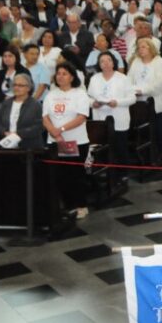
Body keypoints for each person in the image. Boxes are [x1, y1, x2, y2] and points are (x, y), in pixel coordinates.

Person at [42, 63, 91, 219]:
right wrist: (54, 133)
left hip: (75, 141)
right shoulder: (51, 95)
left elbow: (81, 117)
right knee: (59, 175)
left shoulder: (80, 94)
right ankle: (66, 206)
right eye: (58, 73)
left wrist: (61, 129)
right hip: (55, 141)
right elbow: (45, 117)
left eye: (64, 73)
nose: (60, 76)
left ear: (72, 77)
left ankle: (81, 205)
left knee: (75, 174)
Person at [88, 50, 136, 162]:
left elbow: (132, 98)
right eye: (102, 61)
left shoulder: (123, 78)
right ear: (99, 64)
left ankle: (122, 170)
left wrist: (117, 102)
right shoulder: (94, 79)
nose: (106, 63)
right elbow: (88, 98)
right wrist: (93, 103)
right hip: (100, 119)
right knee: (102, 150)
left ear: (114, 62)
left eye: (109, 60)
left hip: (119, 119)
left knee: (120, 149)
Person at [128, 37, 162, 157]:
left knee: (157, 128)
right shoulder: (136, 61)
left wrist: (143, 91)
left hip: (155, 101)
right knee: (141, 129)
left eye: (143, 47)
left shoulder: (159, 61)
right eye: (139, 47)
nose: (140, 49)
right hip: (138, 102)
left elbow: (160, 83)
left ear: (151, 48)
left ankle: (160, 152)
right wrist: (131, 90)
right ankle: (143, 152)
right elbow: (129, 79)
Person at [0, 73, 44, 150]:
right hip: (7, 145)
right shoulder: (6, 103)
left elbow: (40, 126)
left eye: (20, 85)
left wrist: (19, 134)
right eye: (15, 85)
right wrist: (4, 132)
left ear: (28, 88)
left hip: (29, 147)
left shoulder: (35, 105)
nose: (16, 88)